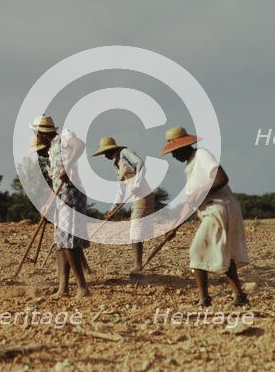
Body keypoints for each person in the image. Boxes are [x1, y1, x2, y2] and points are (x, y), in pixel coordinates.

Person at [160, 126, 249, 307]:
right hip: (213, 210)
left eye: (175, 151)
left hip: (219, 208)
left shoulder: (201, 155)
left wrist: (201, 192)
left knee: (196, 250)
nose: (174, 156)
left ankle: (204, 299)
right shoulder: (190, 166)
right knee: (225, 253)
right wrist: (175, 227)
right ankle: (239, 295)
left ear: (185, 146)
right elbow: (191, 203)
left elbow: (222, 178)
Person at [29, 115, 91, 298]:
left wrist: (68, 166)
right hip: (61, 195)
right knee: (60, 243)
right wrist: (47, 204)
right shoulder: (50, 154)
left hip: (72, 193)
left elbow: (80, 145)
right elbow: (56, 184)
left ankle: (82, 288)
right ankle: (63, 288)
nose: (35, 137)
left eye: (35, 133)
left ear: (41, 133)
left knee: (68, 242)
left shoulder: (63, 137)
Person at [92, 137, 155, 272]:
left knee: (135, 229)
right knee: (135, 230)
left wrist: (137, 184)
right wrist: (112, 208)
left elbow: (141, 164)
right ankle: (138, 263)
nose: (105, 156)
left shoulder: (124, 153)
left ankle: (138, 265)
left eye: (106, 152)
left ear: (112, 149)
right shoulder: (116, 164)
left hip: (142, 194)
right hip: (135, 197)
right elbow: (121, 189)